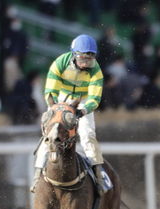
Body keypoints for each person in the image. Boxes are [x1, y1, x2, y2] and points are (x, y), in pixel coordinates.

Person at [32, 34, 109, 194]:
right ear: (74, 54)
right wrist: (55, 108)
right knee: (50, 134)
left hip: (83, 100)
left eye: (90, 58)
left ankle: (98, 175)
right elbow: (50, 92)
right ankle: (37, 173)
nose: (86, 62)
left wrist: (82, 111)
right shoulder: (59, 63)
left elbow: (94, 98)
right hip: (61, 98)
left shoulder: (96, 70)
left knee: (88, 134)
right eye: (83, 58)